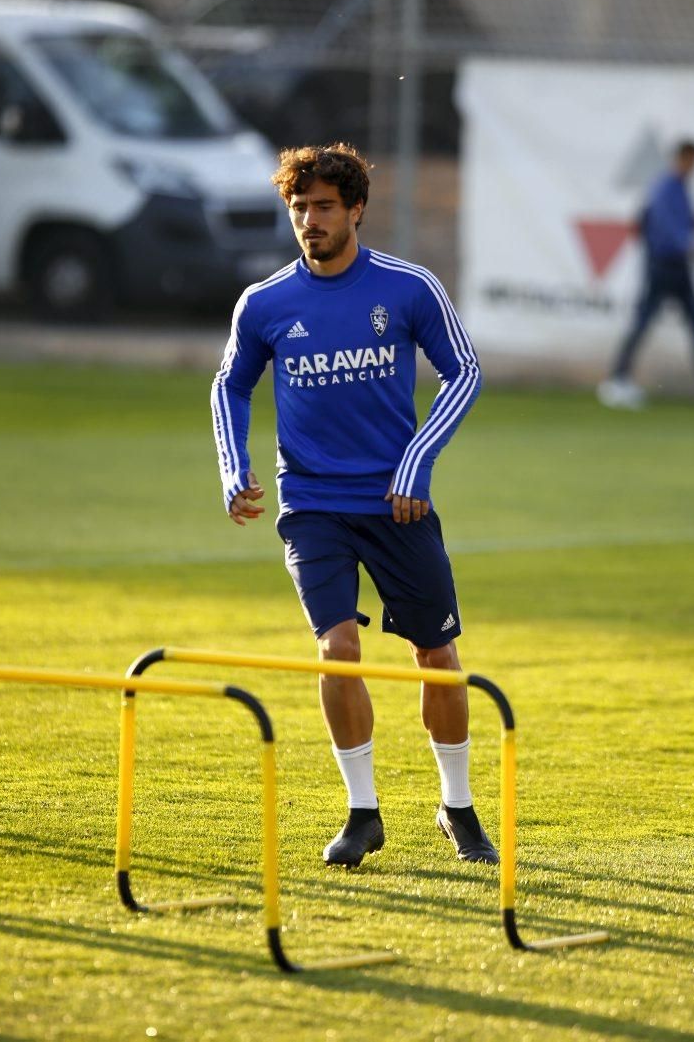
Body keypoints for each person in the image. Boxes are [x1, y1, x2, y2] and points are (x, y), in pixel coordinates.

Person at [211, 142, 498, 869]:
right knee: (337, 649)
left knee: (436, 655)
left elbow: (464, 371)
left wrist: (415, 461)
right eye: (299, 207)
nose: (310, 219)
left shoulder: (407, 288)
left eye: (325, 206)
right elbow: (230, 385)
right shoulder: (266, 303)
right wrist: (235, 468)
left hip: (398, 505)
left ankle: (457, 808)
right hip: (311, 505)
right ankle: (362, 812)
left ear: (356, 209)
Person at [597, 139, 694, 414]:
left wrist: (693, 224)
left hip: (678, 267)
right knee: (644, 321)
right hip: (663, 267)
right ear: (682, 158)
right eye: (693, 160)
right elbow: (669, 230)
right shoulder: (666, 187)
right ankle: (617, 380)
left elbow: (656, 221)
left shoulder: (680, 188)